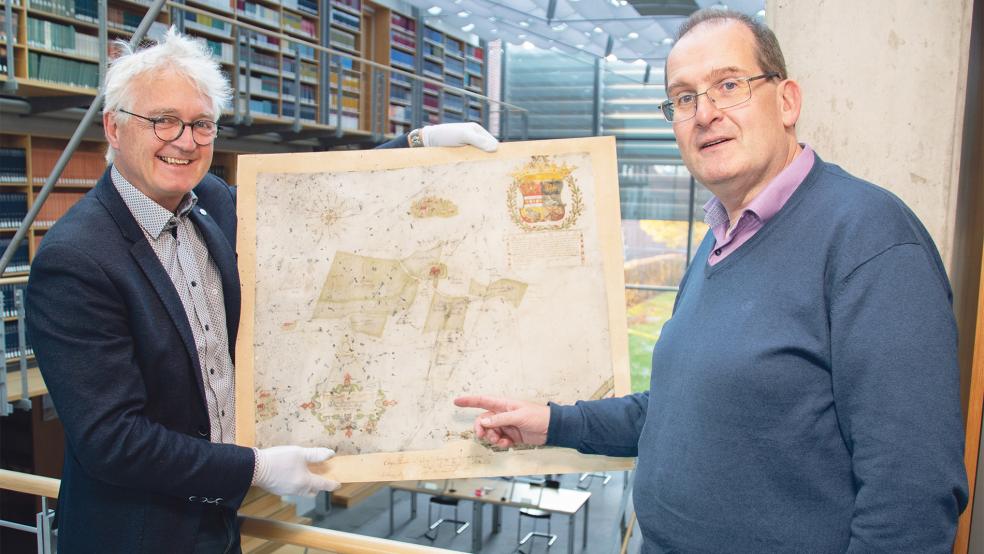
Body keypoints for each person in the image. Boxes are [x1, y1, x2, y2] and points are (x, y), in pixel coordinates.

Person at [456, 9, 968, 552]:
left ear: (787, 100)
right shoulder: (719, 239)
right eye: (684, 97)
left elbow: (912, 494)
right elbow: (675, 410)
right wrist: (553, 422)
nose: (705, 113)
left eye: (729, 85)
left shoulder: (870, 237)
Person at [25, 28, 497, 553]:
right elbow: (113, 442)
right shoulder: (76, 261)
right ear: (114, 127)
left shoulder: (207, 199)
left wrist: (417, 145)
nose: (185, 141)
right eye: (163, 120)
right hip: (138, 534)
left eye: (202, 124)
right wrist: (257, 468)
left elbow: (314, 199)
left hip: (219, 524)